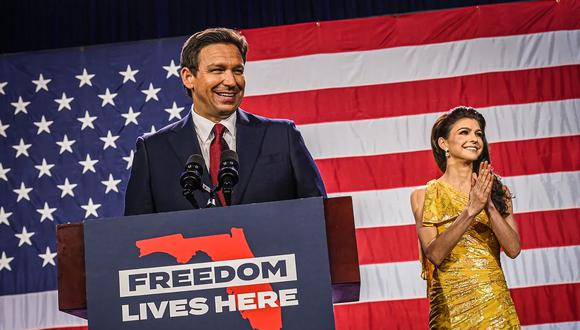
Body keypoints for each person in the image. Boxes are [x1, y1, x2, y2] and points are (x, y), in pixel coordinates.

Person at [124, 28, 326, 215]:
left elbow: (319, 215)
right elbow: (134, 235)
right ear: (188, 77)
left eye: (237, 71)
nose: (231, 81)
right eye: (217, 70)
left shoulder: (282, 136)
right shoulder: (153, 151)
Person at [410, 106, 521, 328]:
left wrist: (488, 206)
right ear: (444, 144)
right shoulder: (424, 195)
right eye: (464, 132)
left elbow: (513, 249)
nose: (474, 139)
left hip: (496, 308)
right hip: (451, 312)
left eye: (478, 133)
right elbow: (435, 254)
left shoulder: (499, 192)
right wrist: (471, 210)